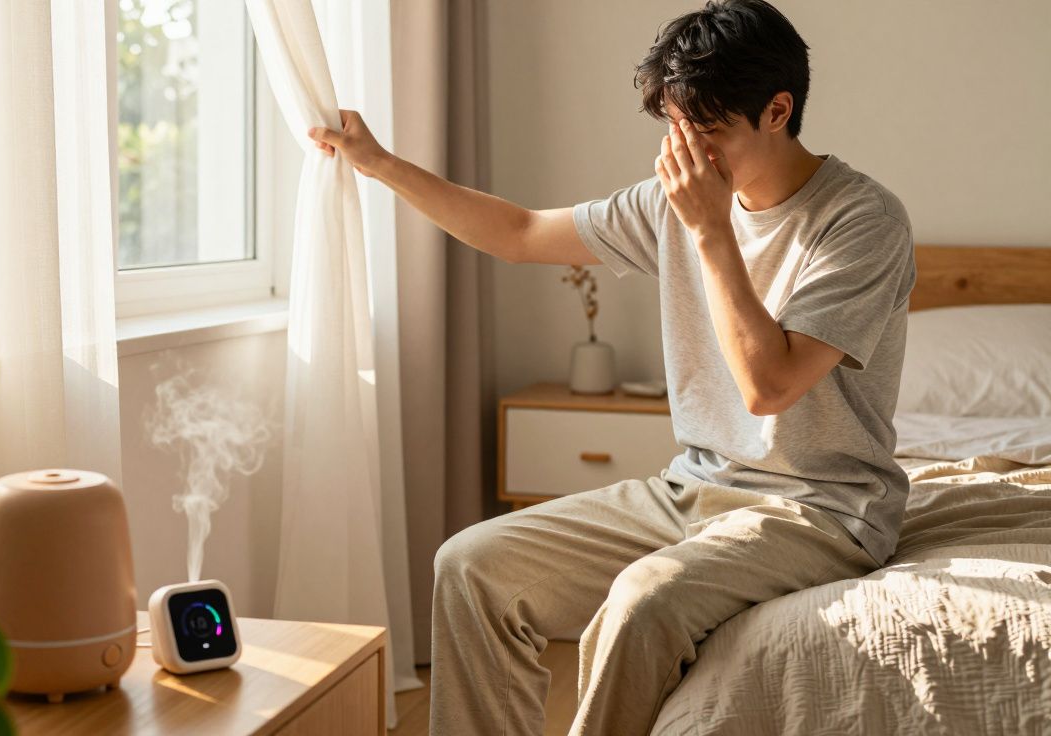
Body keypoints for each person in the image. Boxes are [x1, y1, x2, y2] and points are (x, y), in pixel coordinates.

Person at [307, 0, 916, 733]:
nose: (688, 157)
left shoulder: (862, 220)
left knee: (645, 600)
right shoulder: (674, 205)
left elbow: (769, 386)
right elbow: (520, 233)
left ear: (778, 109)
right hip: (694, 489)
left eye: (710, 131)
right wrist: (378, 165)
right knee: (469, 567)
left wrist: (711, 231)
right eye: (675, 131)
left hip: (819, 511)